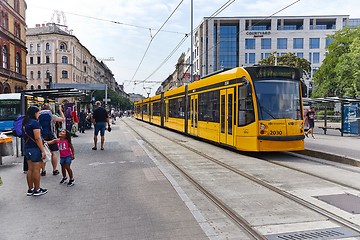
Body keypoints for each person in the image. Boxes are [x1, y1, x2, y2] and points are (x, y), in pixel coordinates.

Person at [23, 106, 48, 196]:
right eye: (38, 113)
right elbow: (37, 138)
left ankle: (30, 189)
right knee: (37, 169)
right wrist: (42, 151)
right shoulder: (35, 123)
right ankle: (37, 189)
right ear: (34, 113)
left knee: (30, 169)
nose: (39, 114)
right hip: (35, 148)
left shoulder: (25, 122)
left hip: (27, 147)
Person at [38, 103, 65, 176]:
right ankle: (54, 170)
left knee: (43, 152)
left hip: (42, 136)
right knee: (54, 153)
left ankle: (43, 171)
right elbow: (63, 119)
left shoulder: (39, 116)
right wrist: (60, 110)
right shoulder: (52, 116)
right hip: (51, 135)